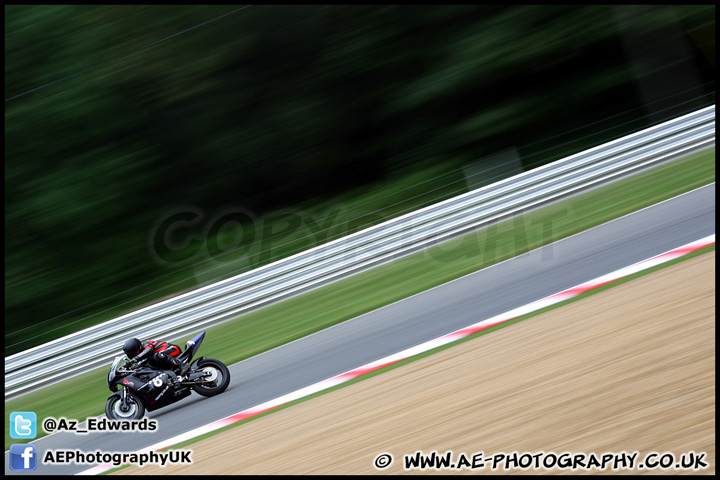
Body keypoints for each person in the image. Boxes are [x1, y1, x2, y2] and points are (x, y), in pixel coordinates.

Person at [123, 338, 189, 377]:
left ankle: (182, 365)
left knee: (156, 356)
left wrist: (133, 360)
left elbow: (149, 351)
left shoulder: (146, 344)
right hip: (165, 358)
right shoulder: (141, 355)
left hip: (173, 350)